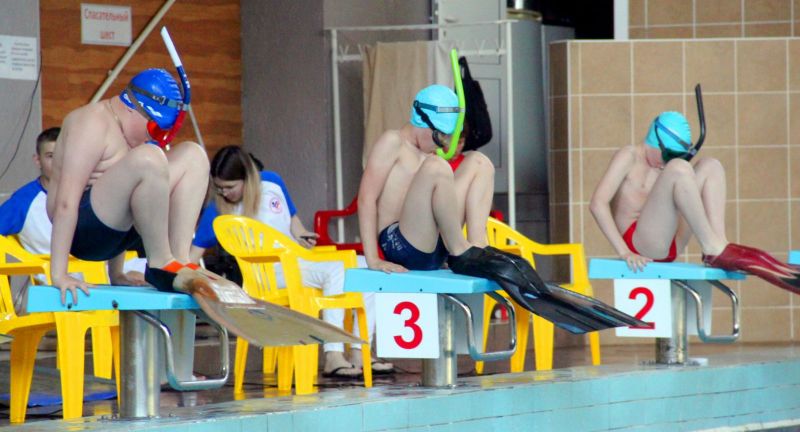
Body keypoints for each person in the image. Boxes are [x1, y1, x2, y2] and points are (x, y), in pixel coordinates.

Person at [357, 84, 644, 335]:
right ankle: (460, 250)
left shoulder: (427, 152)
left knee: (479, 162)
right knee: (437, 166)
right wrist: (373, 259)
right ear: (421, 120)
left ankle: (476, 244)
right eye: (438, 136)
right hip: (401, 244)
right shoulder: (392, 142)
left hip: (434, 244)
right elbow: (366, 199)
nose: (442, 144)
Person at [189, 145, 393, 378]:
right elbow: (193, 256)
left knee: (364, 268)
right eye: (219, 187)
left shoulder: (273, 183)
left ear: (248, 178)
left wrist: (303, 235)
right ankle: (333, 354)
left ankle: (360, 350)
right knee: (336, 271)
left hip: (297, 262)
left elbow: (295, 224)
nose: (224, 193)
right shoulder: (216, 209)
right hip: (267, 275)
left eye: (230, 187)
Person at [47, 68, 211, 303]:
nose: (155, 137)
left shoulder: (131, 132)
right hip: (83, 234)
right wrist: (59, 275)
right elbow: (65, 203)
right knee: (149, 158)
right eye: (154, 128)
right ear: (131, 108)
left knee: (193, 156)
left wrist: (117, 274)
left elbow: (123, 194)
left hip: (116, 231)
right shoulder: (91, 123)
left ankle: (179, 259)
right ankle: (161, 262)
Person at [590, 108, 800, 292]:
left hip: (671, 241)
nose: (667, 162)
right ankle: (712, 247)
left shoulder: (664, 164)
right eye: (668, 155)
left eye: (680, 155)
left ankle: (718, 243)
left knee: (710, 165)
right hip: (641, 245)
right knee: (679, 169)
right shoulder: (628, 156)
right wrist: (624, 252)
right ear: (655, 140)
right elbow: (597, 204)